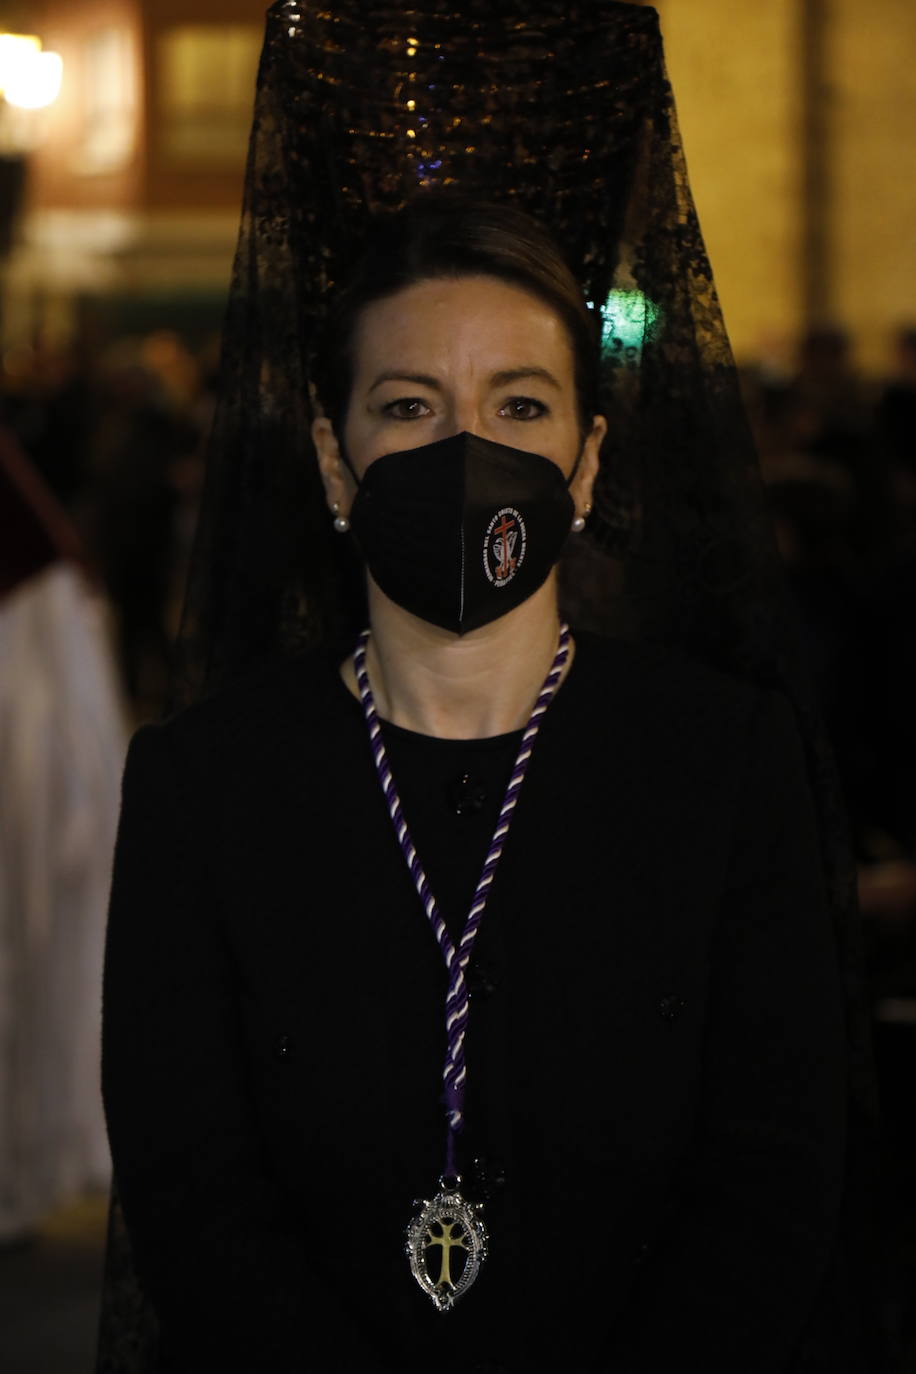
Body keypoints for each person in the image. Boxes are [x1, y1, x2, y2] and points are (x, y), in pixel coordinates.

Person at [98, 4, 880, 1372]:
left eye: (519, 406)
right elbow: (191, 1193)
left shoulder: (718, 764)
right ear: (337, 469)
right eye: (409, 406)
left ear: (585, 463)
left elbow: (773, 1178)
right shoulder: (206, 780)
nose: (469, 447)